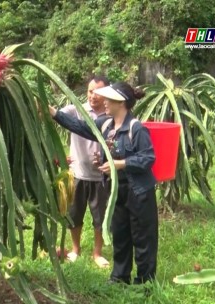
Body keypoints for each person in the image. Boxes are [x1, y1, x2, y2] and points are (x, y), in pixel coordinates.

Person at [49, 82, 158, 285]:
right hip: (116, 189)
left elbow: (148, 158)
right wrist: (54, 113)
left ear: (121, 102)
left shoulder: (137, 128)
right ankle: (119, 277)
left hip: (139, 191)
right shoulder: (105, 124)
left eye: (108, 99)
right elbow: (80, 127)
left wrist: (120, 164)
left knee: (143, 237)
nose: (103, 102)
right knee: (120, 232)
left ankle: (145, 283)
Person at [60, 75, 110, 268]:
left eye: (98, 92)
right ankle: (75, 249)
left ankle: (97, 253)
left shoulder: (111, 115)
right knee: (74, 214)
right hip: (78, 173)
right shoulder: (76, 110)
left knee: (100, 217)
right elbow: (56, 116)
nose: (93, 96)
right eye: (90, 91)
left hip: (101, 176)